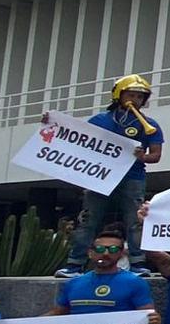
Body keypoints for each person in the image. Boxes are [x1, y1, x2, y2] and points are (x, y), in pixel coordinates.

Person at [60, 75, 164, 270]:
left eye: (140, 97)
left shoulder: (150, 125)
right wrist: (52, 124)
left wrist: (142, 156)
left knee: (136, 222)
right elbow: (78, 141)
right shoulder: (100, 120)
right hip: (100, 176)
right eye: (131, 95)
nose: (135, 100)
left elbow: (156, 155)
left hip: (133, 178)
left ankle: (138, 263)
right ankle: (74, 264)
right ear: (119, 95)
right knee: (89, 220)